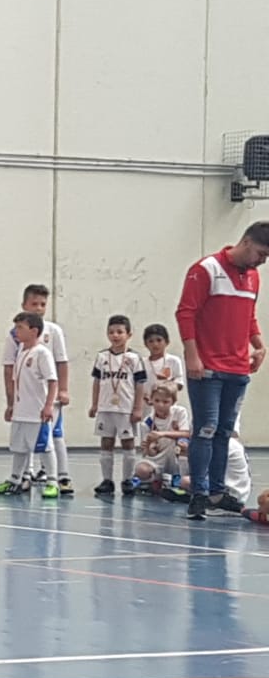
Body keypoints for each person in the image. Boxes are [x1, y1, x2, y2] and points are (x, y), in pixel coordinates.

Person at [175, 222, 269, 519]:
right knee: (205, 428)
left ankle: (217, 491)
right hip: (208, 367)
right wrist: (193, 356)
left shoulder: (253, 278)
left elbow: (248, 315)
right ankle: (199, 494)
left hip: (238, 367)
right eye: (261, 253)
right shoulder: (206, 269)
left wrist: (258, 344)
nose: (262, 261)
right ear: (246, 242)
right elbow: (185, 312)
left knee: (225, 432)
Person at [1, 285, 73, 497]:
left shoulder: (53, 332)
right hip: (25, 398)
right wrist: (11, 400)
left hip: (46, 397)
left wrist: (64, 390)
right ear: (24, 305)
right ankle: (23, 476)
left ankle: (61, 477)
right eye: (34, 304)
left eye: (43, 304)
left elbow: (62, 362)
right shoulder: (15, 336)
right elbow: (9, 367)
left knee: (53, 436)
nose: (39, 308)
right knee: (21, 439)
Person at [0, 313, 59, 497]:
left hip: (37, 412)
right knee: (19, 447)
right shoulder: (21, 352)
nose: (16, 331)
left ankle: (52, 481)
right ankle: (15, 479)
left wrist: (49, 406)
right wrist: (11, 405)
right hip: (21, 411)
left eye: (20, 328)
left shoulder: (42, 353)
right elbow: (16, 382)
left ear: (34, 331)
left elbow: (52, 381)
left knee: (44, 447)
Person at [89, 314, 147, 496]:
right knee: (106, 442)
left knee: (128, 443)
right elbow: (97, 381)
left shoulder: (134, 358)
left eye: (120, 332)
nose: (115, 335)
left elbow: (140, 384)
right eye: (111, 332)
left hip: (125, 408)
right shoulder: (102, 357)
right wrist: (94, 404)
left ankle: (127, 480)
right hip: (106, 408)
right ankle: (107, 480)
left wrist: (138, 408)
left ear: (129, 334)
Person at [132, 382, 190, 495]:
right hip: (158, 458)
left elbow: (186, 433)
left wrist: (162, 434)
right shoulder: (147, 423)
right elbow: (149, 453)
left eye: (165, 402)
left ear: (173, 402)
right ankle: (155, 480)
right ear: (151, 400)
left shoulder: (180, 412)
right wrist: (149, 447)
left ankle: (180, 477)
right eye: (157, 401)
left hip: (175, 454)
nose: (160, 405)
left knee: (183, 444)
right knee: (141, 470)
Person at [140, 323, 186, 403]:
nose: (155, 344)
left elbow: (180, 383)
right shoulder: (141, 363)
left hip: (166, 405)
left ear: (167, 342)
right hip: (146, 404)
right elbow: (137, 384)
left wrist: (167, 385)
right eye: (151, 341)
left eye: (159, 340)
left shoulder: (173, 361)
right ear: (145, 344)